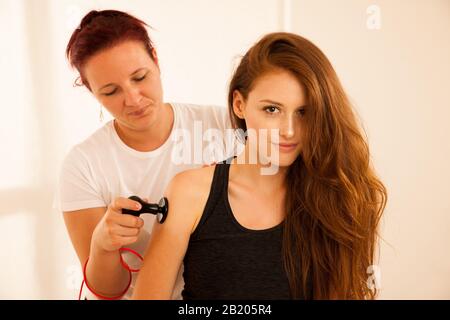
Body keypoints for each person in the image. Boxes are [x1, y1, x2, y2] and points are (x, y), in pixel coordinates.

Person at [132, 32, 388, 300]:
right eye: (272, 110)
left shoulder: (342, 196)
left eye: (304, 112)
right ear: (239, 104)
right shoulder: (189, 192)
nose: (289, 130)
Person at [57, 10, 236, 300]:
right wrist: (103, 246)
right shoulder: (83, 165)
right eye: (111, 91)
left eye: (140, 77)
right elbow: (107, 290)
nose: (133, 99)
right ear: (91, 91)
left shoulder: (226, 128)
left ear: (155, 58)